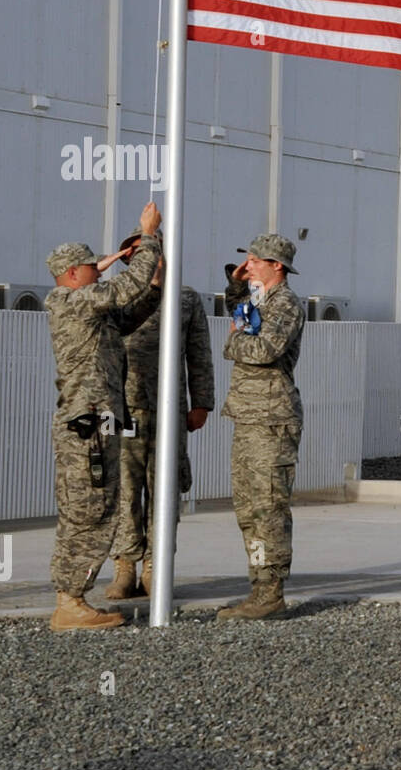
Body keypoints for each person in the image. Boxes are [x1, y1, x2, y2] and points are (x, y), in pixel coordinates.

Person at [44, 202, 162, 631]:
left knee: (96, 505)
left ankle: (72, 597)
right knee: (90, 510)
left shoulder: (88, 307)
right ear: (73, 274)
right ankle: (71, 601)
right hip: (87, 427)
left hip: (99, 422)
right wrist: (147, 235)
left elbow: (130, 310)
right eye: (92, 267)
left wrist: (154, 282)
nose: (100, 270)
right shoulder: (70, 300)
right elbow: (121, 290)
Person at [105, 231, 216, 599]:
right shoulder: (117, 295)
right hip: (125, 407)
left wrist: (201, 402)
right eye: (137, 253)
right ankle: (125, 566)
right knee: (124, 489)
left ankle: (155, 564)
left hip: (168, 410)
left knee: (164, 489)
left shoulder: (185, 298)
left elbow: (199, 353)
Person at [217, 233, 305, 621]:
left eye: (256, 260)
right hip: (249, 417)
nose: (248, 264)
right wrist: (237, 289)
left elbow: (263, 349)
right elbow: (243, 320)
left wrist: (231, 344)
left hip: (271, 420)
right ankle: (258, 588)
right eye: (247, 258)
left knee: (268, 507)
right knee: (248, 509)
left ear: (277, 266)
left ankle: (271, 593)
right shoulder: (258, 299)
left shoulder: (285, 304)